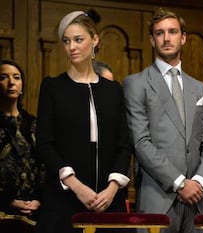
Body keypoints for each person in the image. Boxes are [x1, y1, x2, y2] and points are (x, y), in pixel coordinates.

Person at [35, 10, 132, 233]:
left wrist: (112, 188)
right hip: (64, 200)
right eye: (67, 41)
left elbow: (124, 144)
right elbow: (44, 145)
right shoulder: (53, 87)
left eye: (79, 40)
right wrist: (77, 187)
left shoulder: (113, 90)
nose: (72, 47)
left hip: (110, 201)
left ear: (95, 40)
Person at [123, 8, 203, 233]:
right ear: (151, 40)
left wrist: (200, 182)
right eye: (159, 33)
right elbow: (141, 143)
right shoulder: (136, 84)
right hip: (158, 197)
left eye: (173, 32)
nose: (167, 38)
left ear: (183, 37)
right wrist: (180, 183)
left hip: (197, 201)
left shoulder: (199, 88)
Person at [0, 59, 45, 222]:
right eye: (3, 77)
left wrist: (39, 200)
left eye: (16, 77)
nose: (11, 82)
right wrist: (9, 201)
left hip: (34, 211)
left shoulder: (34, 124)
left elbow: (46, 165)